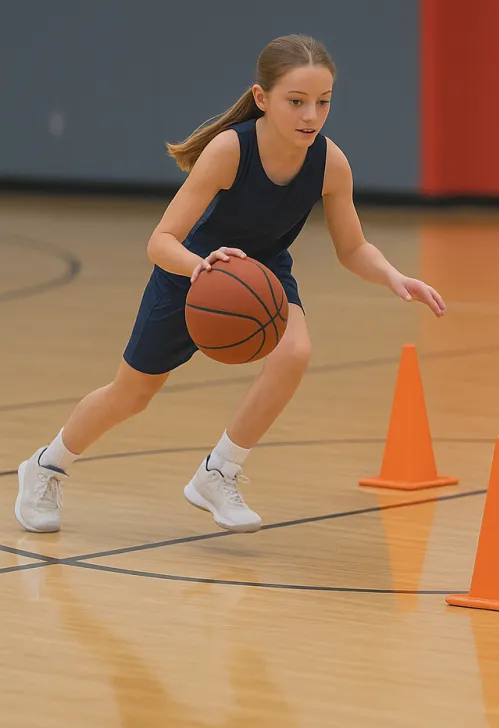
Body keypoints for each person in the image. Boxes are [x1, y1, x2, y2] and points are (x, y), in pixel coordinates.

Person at [14, 34, 445, 535]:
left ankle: (218, 472)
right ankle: (45, 466)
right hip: (190, 273)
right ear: (262, 99)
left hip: (262, 275)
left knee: (295, 351)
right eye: (296, 101)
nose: (311, 115)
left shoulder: (330, 162)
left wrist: (393, 275)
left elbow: (352, 248)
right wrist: (199, 266)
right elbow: (161, 241)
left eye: (323, 102)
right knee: (130, 395)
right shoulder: (229, 149)